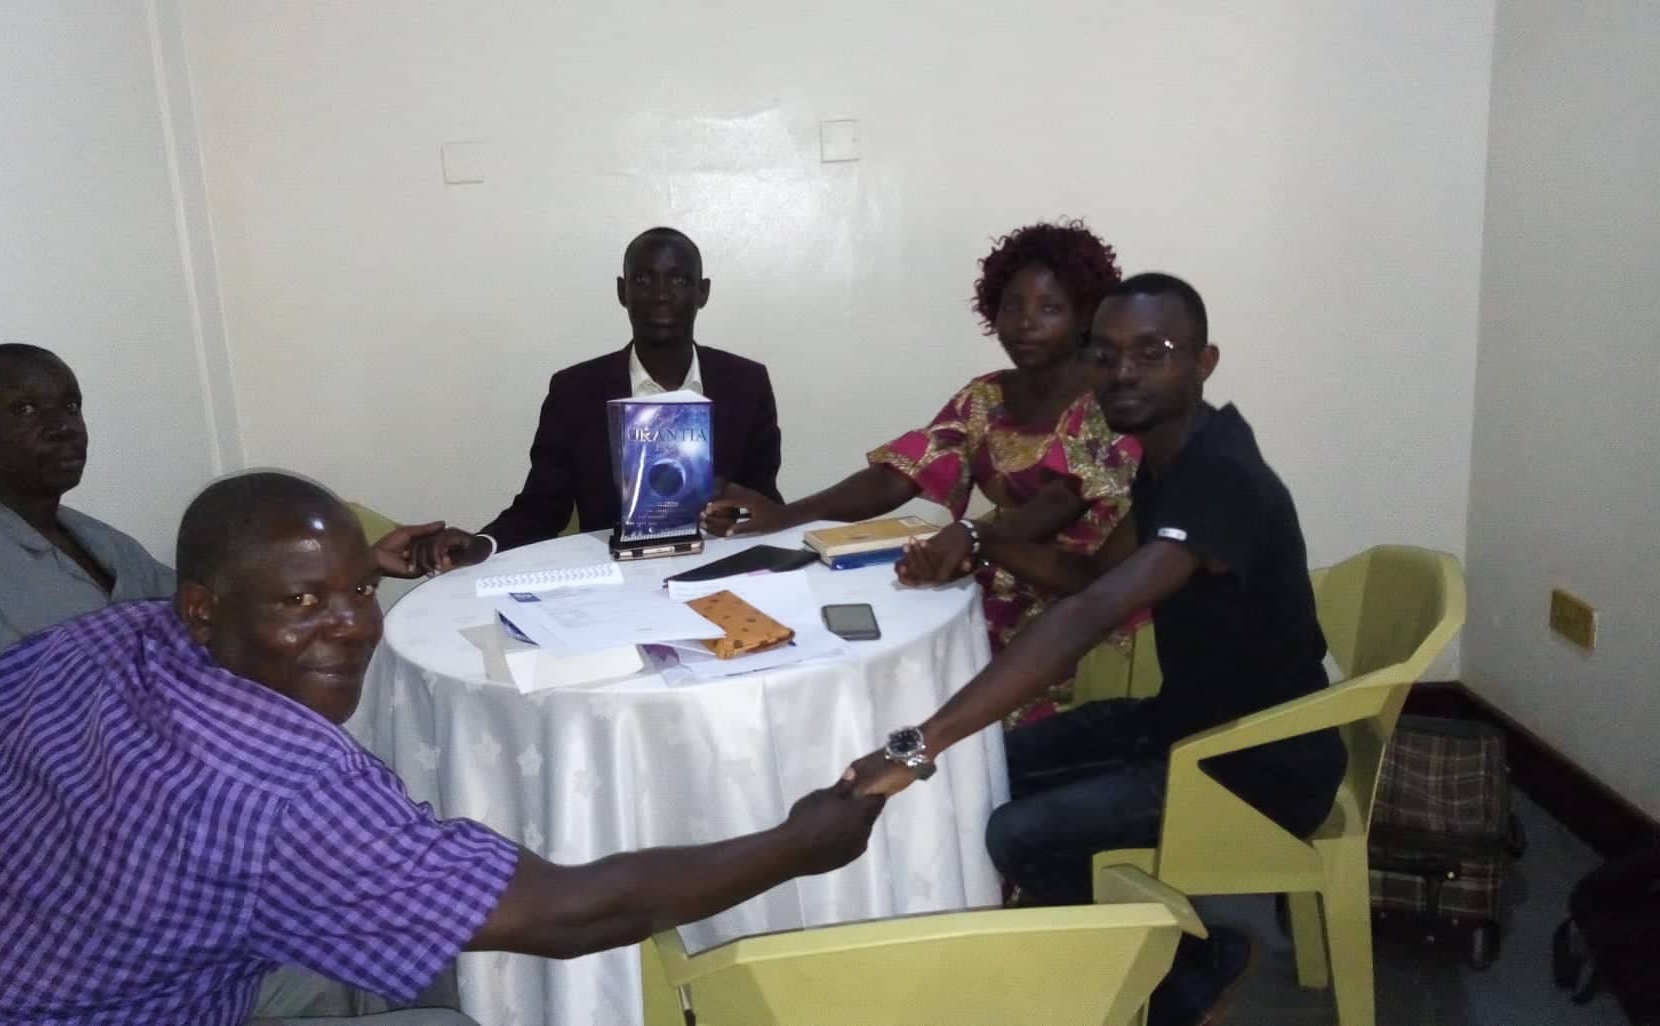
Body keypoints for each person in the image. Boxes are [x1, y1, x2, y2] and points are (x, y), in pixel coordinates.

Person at [0, 472, 882, 1026]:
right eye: (302, 602)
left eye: (356, 590)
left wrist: (80, 872)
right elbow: (574, 914)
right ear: (202, 610)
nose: (353, 627)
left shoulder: (83, 642)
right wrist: (799, 842)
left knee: (402, 968)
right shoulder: (281, 788)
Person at [842, 274, 1348, 1026]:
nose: (1123, 372)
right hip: (1185, 725)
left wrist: (920, 743)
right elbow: (1094, 577)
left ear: (1204, 362)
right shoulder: (1172, 453)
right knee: (990, 766)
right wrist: (984, 539)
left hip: (1258, 763)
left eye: (1152, 352)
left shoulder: (1222, 476)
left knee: (1016, 830)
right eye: (1104, 354)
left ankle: (1171, 974)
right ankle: (1112, 955)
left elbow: (1092, 611)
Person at [0, 345, 444, 813]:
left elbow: (214, 622)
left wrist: (361, 567)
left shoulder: (97, 540)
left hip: (186, 785)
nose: (62, 427)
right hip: (85, 829)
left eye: (70, 407)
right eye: (24, 410)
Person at [704, 220, 1139, 722]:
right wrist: (787, 515)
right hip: (996, 577)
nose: (1025, 322)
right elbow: (899, 475)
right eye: (1012, 306)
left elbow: (1059, 502)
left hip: (1085, 601)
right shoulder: (986, 397)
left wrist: (971, 539)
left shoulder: (1112, 401)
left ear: (1086, 315)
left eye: (1049, 308)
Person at [415, 228, 782, 570]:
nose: (661, 294)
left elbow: (764, 500)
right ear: (622, 291)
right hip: (613, 583)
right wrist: (483, 544)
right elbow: (542, 507)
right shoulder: (575, 392)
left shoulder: (745, 384)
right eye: (643, 280)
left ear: (702, 292)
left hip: (719, 571)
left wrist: (735, 510)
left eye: (679, 280)